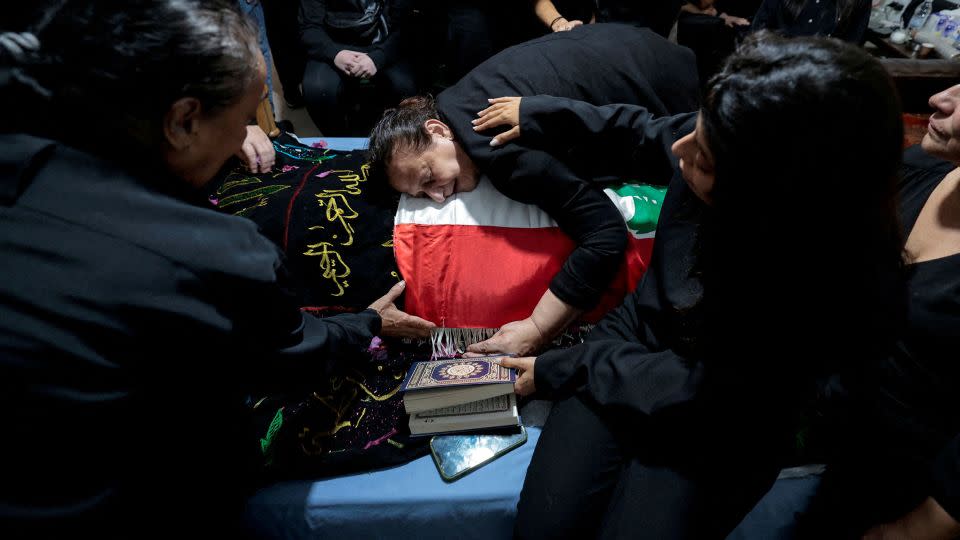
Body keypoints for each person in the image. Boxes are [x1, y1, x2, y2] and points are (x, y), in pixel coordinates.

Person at [0, 1, 433, 537]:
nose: (250, 135)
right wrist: (367, 323)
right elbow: (291, 355)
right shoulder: (216, 254)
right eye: (247, 115)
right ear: (183, 121)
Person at [473, 33, 906, 538]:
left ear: (773, 199)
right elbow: (643, 131)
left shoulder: (830, 290)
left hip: (723, 423)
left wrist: (558, 368)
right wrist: (540, 113)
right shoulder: (724, 139)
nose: (682, 150)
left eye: (704, 160)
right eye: (697, 128)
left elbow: (708, 391)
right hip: (631, 346)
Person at [368, 23, 699, 356]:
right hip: (639, 44)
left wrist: (538, 328)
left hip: (671, 95)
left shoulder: (498, 150)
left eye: (428, 178)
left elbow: (604, 234)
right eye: (422, 195)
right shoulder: (453, 100)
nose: (438, 197)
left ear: (437, 129)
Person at [795, 84, 960, 539]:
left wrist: (915, 529)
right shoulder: (923, 169)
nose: (940, 99)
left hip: (887, 487)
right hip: (815, 428)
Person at [299, 0, 418, 135]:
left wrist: (379, 57)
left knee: (405, 87)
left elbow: (405, 27)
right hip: (335, 43)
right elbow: (309, 27)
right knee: (317, 89)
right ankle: (339, 143)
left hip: (384, 43)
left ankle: (394, 138)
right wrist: (335, 54)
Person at [750, 0, 872, 44]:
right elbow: (758, 29)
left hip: (823, 76)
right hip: (776, 65)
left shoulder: (859, 2)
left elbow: (851, 47)